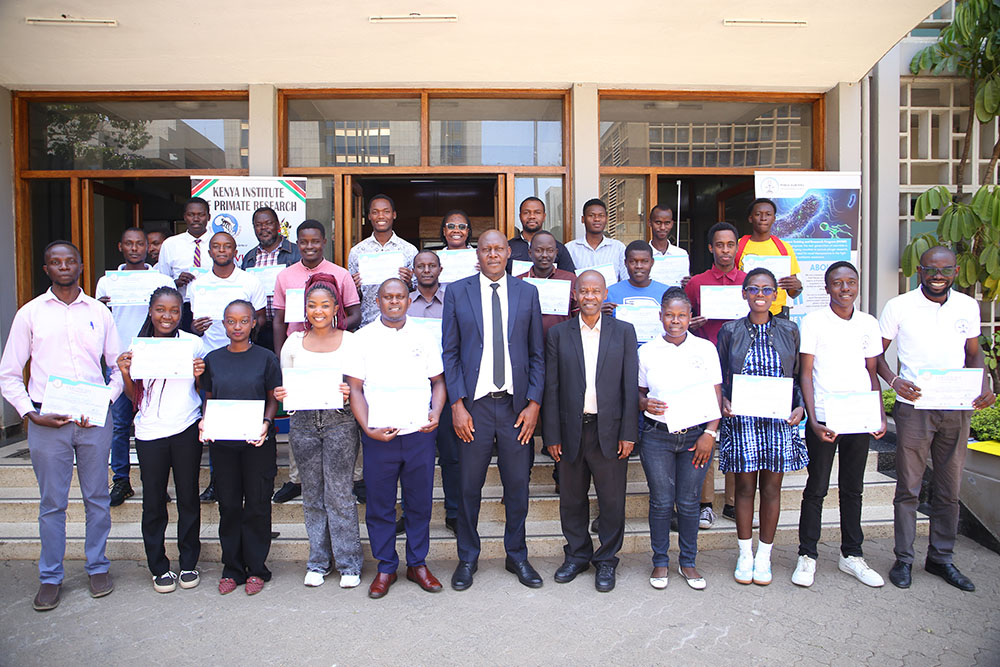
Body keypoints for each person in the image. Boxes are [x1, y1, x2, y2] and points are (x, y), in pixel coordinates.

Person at [0, 241, 122, 611]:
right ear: (46, 268)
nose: (64, 266)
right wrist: (29, 413)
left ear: (81, 266)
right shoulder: (30, 314)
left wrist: (105, 399)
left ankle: (97, 566)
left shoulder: (99, 312)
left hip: (92, 419)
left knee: (97, 499)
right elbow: (8, 374)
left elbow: (117, 368)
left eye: (70, 261)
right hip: (46, 420)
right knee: (52, 503)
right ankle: (50, 576)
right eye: (56, 262)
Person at [877, 246, 995, 592]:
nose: (937, 275)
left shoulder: (967, 307)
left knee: (949, 487)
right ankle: (904, 558)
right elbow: (876, 354)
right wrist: (895, 381)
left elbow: (974, 354)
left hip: (956, 405)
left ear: (956, 272)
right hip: (914, 407)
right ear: (919, 271)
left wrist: (983, 384)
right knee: (909, 487)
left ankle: (941, 558)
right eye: (931, 270)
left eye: (944, 270)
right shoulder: (899, 306)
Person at [442, 229, 545, 591]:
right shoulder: (457, 292)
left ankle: (516, 554)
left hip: (516, 408)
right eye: (486, 249)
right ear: (478, 255)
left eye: (499, 249)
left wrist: (534, 404)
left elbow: (537, 354)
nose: (493, 254)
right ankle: (467, 556)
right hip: (476, 407)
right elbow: (450, 353)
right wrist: (457, 404)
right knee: (469, 487)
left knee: (518, 486)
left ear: (508, 253)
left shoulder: (528, 293)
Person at [345, 278, 447, 599]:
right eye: (387, 297)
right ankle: (386, 565)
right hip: (379, 436)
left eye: (400, 297)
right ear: (377, 300)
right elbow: (356, 389)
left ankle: (417, 563)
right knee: (379, 505)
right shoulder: (361, 339)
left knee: (419, 503)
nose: (394, 302)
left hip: (419, 434)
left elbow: (439, 383)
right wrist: (367, 428)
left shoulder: (424, 335)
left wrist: (437, 413)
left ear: (408, 299)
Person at [792, 261, 887, 589]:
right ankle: (807, 555)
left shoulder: (869, 323)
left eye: (850, 282)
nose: (845, 288)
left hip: (859, 417)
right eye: (837, 283)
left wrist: (880, 414)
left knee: (853, 488)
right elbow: (806, 372)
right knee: (816, 488)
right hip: (826, 417)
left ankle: (852, 555)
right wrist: (812, 419)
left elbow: (871, 372)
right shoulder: (814, 321)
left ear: (857, 285)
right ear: (827, 287)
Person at [543, 270, 638, 592]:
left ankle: (607, 561)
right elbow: (551, 388)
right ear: (575, 294)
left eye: (595, 291)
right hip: (571, 430)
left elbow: (629, 385)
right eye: (584, 291)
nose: (589, 297)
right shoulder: (558, 334)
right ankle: (577, 555)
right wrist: (551, 436)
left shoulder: (623, 332)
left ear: (605, 294)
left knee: (611, 502)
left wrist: (629, 432)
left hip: (609, 431)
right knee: (571, 500)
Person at [717, 268, 807, 586]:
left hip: (778, 420)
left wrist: (800, 407)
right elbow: (724, 375)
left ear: (775, 295)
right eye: (753, 288)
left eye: (767, 289)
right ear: (744, 293)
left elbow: (797, 375)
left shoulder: (789, 330)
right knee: (743, 488)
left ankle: (765, 555)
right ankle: (745, 553)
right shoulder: (730, 331)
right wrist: (724, 401)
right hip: (743, 420)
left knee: (771, 489)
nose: (760, 294)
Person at [273, 274, 363, 589]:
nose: (318, 311)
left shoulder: (351, 341)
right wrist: (281, 395)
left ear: (336, 307)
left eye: (325, 305)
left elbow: (360, 385)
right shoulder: (293, 343)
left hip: (340, 420)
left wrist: (349, 389)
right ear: (304, 309)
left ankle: (349, 563)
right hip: (303, 423)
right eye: (312, 305)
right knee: (312, 493)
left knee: (339, 493)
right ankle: (318, 562)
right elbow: (285, 385)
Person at [115, 286, 205, 593]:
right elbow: (133, 397)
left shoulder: (193, 344)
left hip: (185, 428)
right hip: (149, 432)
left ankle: (189, 561)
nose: (167, 316)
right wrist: (126, 372)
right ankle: (158, 566)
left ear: (182, 313)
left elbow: (203, 387)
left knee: (188, 498)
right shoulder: (137, 347)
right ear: (151, 312)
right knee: (153, 502)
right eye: (161, 310)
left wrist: (199, 373)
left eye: (174, 311)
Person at [638, 287, 722, 591]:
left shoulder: (705, 349)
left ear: (691, 318)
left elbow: (716, 396)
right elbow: (639, 394)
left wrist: (710, 434)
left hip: (697, 438)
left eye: (682, 316)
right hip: (657, 436)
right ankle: (660, 562)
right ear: (660, 317)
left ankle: (688, 561)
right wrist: (644, 404)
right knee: (661, 502)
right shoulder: (646, 351)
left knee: (688, 503)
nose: (676, 321)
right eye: (670, 315)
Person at [271, 220, 360, 505]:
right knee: (300, 419)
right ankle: (296, 478)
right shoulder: (285, 276)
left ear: (324, 242)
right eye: (304, 242)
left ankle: (356, 478)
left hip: (335, 350)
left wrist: (336, 329)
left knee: (344, 416)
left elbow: (354, 312)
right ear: (297, 243)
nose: (309, 246)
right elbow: (277, 318)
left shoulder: (341, 274)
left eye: (315, 241)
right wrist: (279, 357)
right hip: (299, 353)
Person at [199, 300, 281, 596]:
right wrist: (205, 422)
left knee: (257, 505)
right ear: (224, 324)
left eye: (243, 321)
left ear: (253, 323)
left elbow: (273, 397)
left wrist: (267, 423)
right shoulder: (213, 359)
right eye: (231, 321)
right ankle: (232, 567)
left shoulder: (266, 358)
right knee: (229, 506)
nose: (237, 327)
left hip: (256, 441)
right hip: (223, 443)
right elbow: (209, 395)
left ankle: (257, 568)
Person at [94, 228, 173, 506]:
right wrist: (100, 308)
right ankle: (121, 480)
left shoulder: (161, 279)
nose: (135, 248)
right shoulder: (106, 282)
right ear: (120, 247)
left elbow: (169, 315)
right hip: (119, 360)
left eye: (141, 243)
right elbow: (101, 324)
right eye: (129, 243)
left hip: (154, 357)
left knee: (154, 423)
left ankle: (156, 482)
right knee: (119, 424)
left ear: (149, 248)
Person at [684, 221, 747, 529]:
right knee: (705, 432)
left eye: (730, 244)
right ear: (711, 248)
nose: (725, 250)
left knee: (736, 430)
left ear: (737, 247)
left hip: (741, 366)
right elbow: (683, 320)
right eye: (719, 245)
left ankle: (734, 500)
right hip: (704, 366)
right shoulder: (696, 283)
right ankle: (704, 501)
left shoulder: (749, 281)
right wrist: (692, 323)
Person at [410, 250, 458, 532]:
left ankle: (453, 510)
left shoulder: (453, 301)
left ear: (440, 269)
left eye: (431, 266)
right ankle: (413, 513)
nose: (426, 270)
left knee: (452, 455)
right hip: (413, 388)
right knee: (414, 458)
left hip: (448, 385)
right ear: (413, 270)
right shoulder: (404, 303)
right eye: (421, 266)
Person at [190, 232, 267, 355]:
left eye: (227, 246)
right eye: (216, 246)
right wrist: (196, 329)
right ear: (210, 253)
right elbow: (195, 323)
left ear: (235, 253)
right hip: (208, 352)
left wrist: (244, 329)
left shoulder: (251, 281)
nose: (221, 250)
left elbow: (261, 317)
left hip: (243, 351)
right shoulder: (198, 284)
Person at [348, 194, 418, 327]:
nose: (381, 216)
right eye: (375, 212)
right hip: (367, 324)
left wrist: (409, 283)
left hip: (401, 325)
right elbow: (353, 299)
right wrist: (354, 288)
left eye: (386, 212)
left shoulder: (409, 250)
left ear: (394, 215)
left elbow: (417, 292)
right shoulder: (357, 252)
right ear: (369, 216)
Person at [241, 206, 301, 352]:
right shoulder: (249, 258)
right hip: (259, 329)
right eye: (258, 225)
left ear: (278, 225)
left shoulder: (296, 253)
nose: (263, 228)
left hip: (289, 327)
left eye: (268, 223)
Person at [734, 198, 803, 318]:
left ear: (774, 219)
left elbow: (792, 293)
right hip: (744, 313)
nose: (763, 218)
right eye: (758, 214)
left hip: (777, 314)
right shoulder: (738, 246)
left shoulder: (784, 248)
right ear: (750, 218)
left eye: (768, 214)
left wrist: (797, 287)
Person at [157, 197, 213, 331]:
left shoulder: (219, 242)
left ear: (208, 217)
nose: (196, 219)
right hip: (182, 306)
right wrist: (176, 282)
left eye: (201, 215)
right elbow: (162, 281)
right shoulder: (170, 244)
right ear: (184, 217)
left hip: (212, 305)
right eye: (191, 215)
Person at [514, 230, 577, 339]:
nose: (544, 255)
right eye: (539, 250)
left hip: (563, 344)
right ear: (530, 253)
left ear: (556, 253)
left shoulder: (570, 280)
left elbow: (578, 317)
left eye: (550, 250)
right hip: (528, 345)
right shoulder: (518, 282)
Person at [507, 197, 575, 274]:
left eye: (537, 212)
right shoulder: (509, 247)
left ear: (544, 216)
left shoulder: (558, 248)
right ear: (520, 216)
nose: (532, 216)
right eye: (526, 212)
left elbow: (569, 278)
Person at [566, 198, 627, 283]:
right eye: (591, 215)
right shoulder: (570, 248)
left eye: (601, 215)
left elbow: (625, 280)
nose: (597, 219)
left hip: (611, 296)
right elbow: (567, 281)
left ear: (606, 219)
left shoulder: (618, 248)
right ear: (583, 219)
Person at [606, 240, 669, 319]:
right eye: (633, 262)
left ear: (652, 262)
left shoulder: (667, 293)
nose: (639, 266)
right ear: (625, 263)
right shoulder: (609, 293)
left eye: (645, 261)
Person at [647, 205, 690, 273]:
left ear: (672, 224)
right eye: (658, 223)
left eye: (667, 223)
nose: (663, 227)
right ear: (649, 223)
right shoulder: (642, 255)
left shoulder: (681, 254)